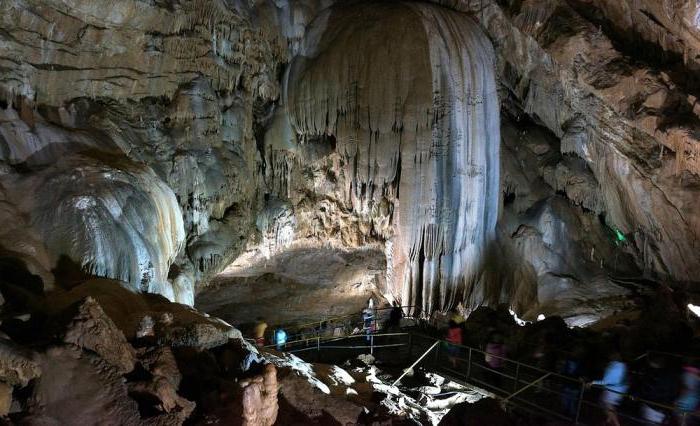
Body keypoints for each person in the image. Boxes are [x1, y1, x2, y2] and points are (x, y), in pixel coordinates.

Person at [589, 352, 628, 426]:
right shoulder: (619, 365)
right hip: (616, 389)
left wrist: (593, 382)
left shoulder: (616, 367)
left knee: (607, 405)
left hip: (614, 390)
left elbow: (607, 381)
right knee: (607, 405)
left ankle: (616, 424)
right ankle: (609, 421)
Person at [638, 354, 677, 425]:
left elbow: (647, 391)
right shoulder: (672, 375)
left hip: (653, 406)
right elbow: (673, 392)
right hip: (664, 407)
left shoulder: (653, 375)